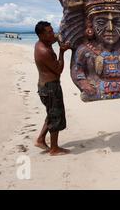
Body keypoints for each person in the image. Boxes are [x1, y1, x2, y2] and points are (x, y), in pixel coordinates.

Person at [34, 21, 71, 156]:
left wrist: (62, 35)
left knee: (51, 113)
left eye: (52, 30)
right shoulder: (43, 51)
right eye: (49, 32)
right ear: (41, 35)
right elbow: (58, 70)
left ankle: (40, 139)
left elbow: (57, 36)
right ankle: (54, 149)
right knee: (56, 116)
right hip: (50, 87)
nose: (52, 34)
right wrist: (61, 52)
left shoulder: (43, 43)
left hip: (45, 86)